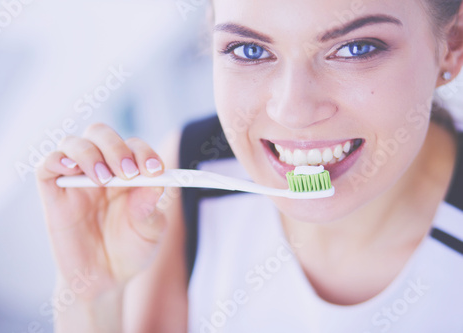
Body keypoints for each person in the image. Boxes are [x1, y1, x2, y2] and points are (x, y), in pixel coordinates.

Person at [36, 0, 463, 332]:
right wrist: (91, 297)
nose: (292, 111)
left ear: (452, 45)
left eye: (354, 49)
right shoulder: (189, 168)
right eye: (250, 49)